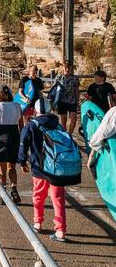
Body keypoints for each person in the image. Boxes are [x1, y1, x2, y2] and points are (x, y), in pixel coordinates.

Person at [18, 99, 81, 242]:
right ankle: (61, 231)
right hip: (57, 168)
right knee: (58, 199)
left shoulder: (31, 126)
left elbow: (23, 146)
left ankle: (38, 223)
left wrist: (22, 162)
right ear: (50, 109)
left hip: (40, 168)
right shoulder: (57, 124)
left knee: (39, 196)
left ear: (35, 111)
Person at [53, 60, 79, 134]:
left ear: (71, 68)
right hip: (62, 101)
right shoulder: (59, 77)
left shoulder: (75, 78)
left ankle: (70, 135)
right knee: (63, 120)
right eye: (65, 68)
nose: (67, 69)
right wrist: (53, 102)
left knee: (74, 119)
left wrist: (77, 102)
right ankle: (64, 135)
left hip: (72, 101)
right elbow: (54, 89)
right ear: (63, 68)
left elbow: (76, 90)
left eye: (69, 68)